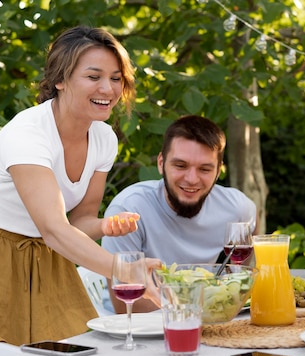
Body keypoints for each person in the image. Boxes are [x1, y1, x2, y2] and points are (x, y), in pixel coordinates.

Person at [0, 26, 160, 347]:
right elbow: (54, 228)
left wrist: (104, 226)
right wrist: (123, 269)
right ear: (60, 79)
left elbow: (78, 222)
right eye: (93, 76)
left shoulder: (104, 138)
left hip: (47, 256)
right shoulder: (26, 135)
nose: (108, 88)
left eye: (116, 78)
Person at [101, 115, 257, 313]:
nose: (192, 179)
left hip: (204, 323)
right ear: (161, 163)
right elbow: (128, 306)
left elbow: (251, 219)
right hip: (132, 330)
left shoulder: (236, 207)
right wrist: (206, 305)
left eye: (205, 169)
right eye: (180, 166)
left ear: (218, 172)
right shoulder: (128, 211)